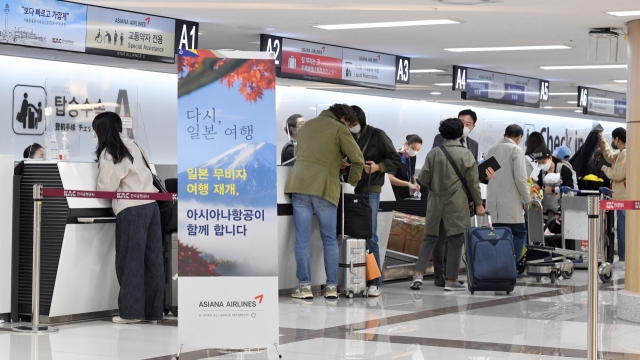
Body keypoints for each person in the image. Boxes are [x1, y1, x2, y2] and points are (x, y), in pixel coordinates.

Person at [284, 104, 364, 300]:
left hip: (299, 186)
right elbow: (358, 160)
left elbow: (312, 154)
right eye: (349, 122)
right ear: (343, 117)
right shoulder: (339, 128)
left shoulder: (307, 126)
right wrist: (351, 184)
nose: (349, 126)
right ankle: (330, 287)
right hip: (324, 188)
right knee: (329, 239)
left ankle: (304, 287)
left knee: (301, 240)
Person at [93, 111, 164, 324]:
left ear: (101, 130)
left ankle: (132, 313)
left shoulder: (111, 152)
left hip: (131, 209)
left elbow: (107, 187)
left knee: (129, 261)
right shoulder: (135, 146)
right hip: (152, 207)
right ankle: (153, 313)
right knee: (153, 261)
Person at [411, 118, 485, 291]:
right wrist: (479, 204)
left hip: (436, 202)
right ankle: (451, 280)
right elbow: (473, 183)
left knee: (429, 238)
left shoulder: (434, 153)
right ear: (460, 134)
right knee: (455, 240)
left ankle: (418, 274)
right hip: (457, 203)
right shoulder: (466, 154)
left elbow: (424, 179)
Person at [430, 109, 493, 287]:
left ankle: (452, 275)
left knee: (456, 236)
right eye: (461, 122)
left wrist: (484, 176)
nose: (464, 127)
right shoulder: (440, 138)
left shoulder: (472, 144)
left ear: (473, 127)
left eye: (468, 124)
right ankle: (439, 274)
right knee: (441, 235)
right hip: (444, 196)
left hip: (463, 198)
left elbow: (471, 172)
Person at [346, 105, 401, 297]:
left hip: (371, 189)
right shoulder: (346, 135)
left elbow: (396, 159)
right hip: (348, 188)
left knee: (370, 235)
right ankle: (352, 279)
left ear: (361, 121)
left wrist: (379, 166)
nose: (350, 127)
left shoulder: (378, 135)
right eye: (347, 123)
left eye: (352, 123)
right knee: (350, 236)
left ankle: (374, 281)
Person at [484, 125, 531, 265]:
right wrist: (528, 201)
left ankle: (498, 265)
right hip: (511, 202)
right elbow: (521, 179)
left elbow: (485, 176)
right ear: (518, 138)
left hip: (494, 203)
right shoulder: (516, 150)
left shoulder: (490, 149)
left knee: (498, 235)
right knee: (519, 232)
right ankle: (512, 264)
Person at [599, 128, 626, 269]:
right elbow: (610, 156)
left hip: (624, 198)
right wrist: (602, 141)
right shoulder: (622, 153)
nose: (613, 142)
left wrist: (606, 169)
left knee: (623, 228)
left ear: (617, 139)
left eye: (613, 139)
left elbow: (618, 175)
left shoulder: (626, 153)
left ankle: (623, 259)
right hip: (620, 197)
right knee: (621, 227)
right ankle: (623, 257)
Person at [532, 146, 576, 222]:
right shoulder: (541, 173)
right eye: (539, 163)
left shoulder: (563, 170)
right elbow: (539, 189)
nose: (541, 165)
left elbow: (569, 190)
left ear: (550, 158)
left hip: (562, 213)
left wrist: (553, 189)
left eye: (543, 162)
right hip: (546, 213)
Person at [389, 134, 423, 201]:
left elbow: (412, 174)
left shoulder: (412, 157)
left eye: (418, 150)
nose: (415, 151)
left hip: (405, 193)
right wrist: (408, 184)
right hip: (394, 194)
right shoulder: (397, 156)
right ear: (407, 143)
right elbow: (390, 178)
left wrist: (415, 184)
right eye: (413, 148)